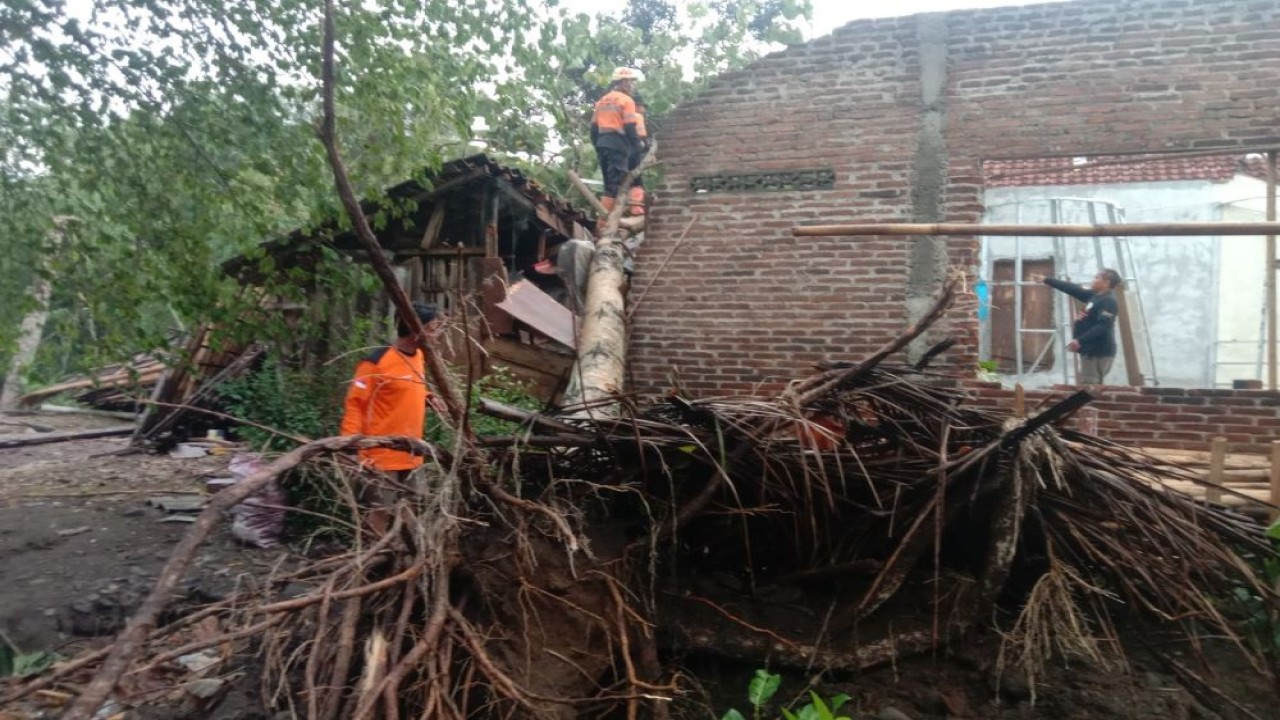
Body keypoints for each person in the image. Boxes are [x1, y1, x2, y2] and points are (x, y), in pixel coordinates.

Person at [340, 301, 436, 530]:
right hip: (380, 455)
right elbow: (355, 404)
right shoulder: (375, 362)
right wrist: (349, 448)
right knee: (379, 512)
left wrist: (428, 398)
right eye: (432, 328)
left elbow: (407, 389)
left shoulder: (419, 356)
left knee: (412, 508)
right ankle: (374, 551)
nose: (437, 335)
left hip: (413, 452)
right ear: (415, 329)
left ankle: (403, 550)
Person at [1035, 269, 1122, 385]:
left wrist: (1080, 340)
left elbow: (1104, 326)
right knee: (1091, 386)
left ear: (1106, 283)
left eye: (1097, 278)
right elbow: (1072, 289)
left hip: (1097, 353)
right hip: (1091, 351)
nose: (1093, 280)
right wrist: (1047, 280)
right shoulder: (1095, 296)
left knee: (1090, 387)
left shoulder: (1108, 301)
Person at [591, 67, 644, 224]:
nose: (632, 85)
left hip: (603, 144)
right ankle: (603, 224)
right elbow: (629, 126)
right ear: (623, 82)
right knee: (615, 186)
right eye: (631, 82)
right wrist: (637, 147)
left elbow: (593, 129)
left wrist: (598, 146)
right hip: (618, 145)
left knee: (609, 184)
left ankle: (606, 221)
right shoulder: (626, 100)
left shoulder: (601, 101)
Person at [625, 92, 651, 216]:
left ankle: (634, 207)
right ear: (636, 106)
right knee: (636, 180)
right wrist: (647, 145)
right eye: (642, 106)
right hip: (633, 153)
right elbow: (642, 136)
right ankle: (637, 209)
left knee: (631, 182)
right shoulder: (637, 116)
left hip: (622, 153)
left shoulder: (623, 116)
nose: (644, 110)